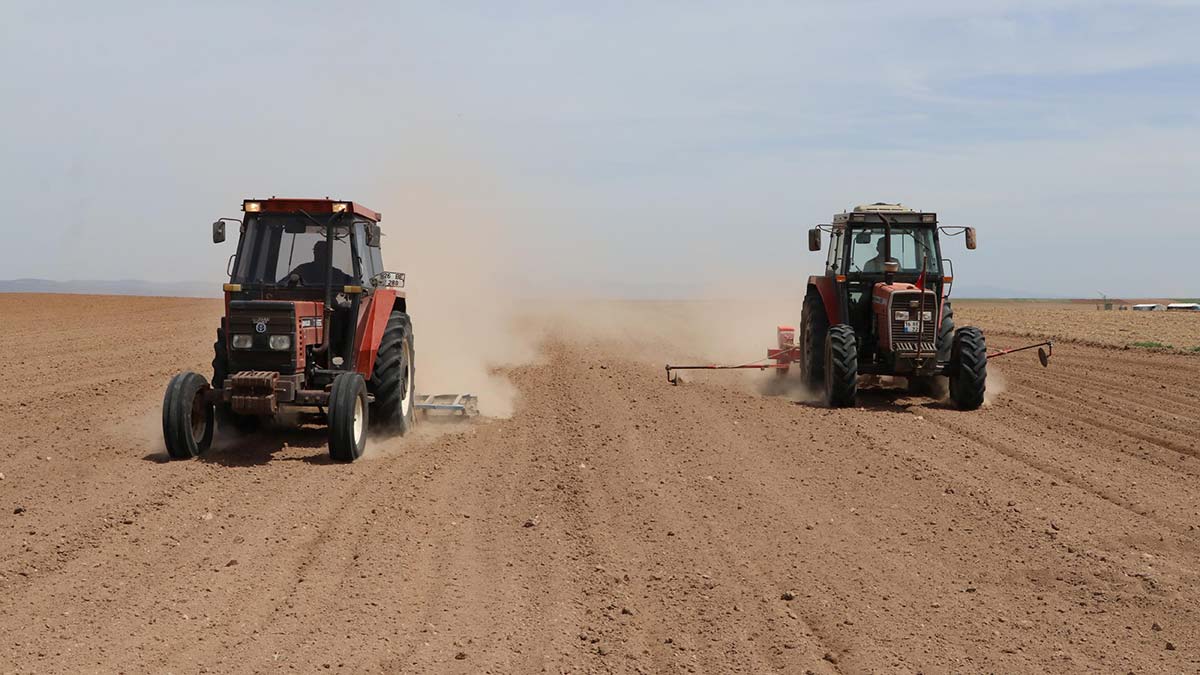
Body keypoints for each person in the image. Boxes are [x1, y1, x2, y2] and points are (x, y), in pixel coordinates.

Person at [282, 240, 351, 286]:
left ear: (328, 253)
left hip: (331, 304)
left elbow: (353, 282)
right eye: (316, 250)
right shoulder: (303, 269)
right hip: (305, 300)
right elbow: (283, 283)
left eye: (322, 251)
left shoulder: (335, 274)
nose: (318, 253)